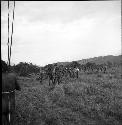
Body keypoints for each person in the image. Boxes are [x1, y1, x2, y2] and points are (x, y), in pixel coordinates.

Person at [2, 60, 21, 125]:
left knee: (4, 117)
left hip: (3, 102)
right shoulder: (13, 76)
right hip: (11, 101)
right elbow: (19, 88)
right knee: (11, 117)